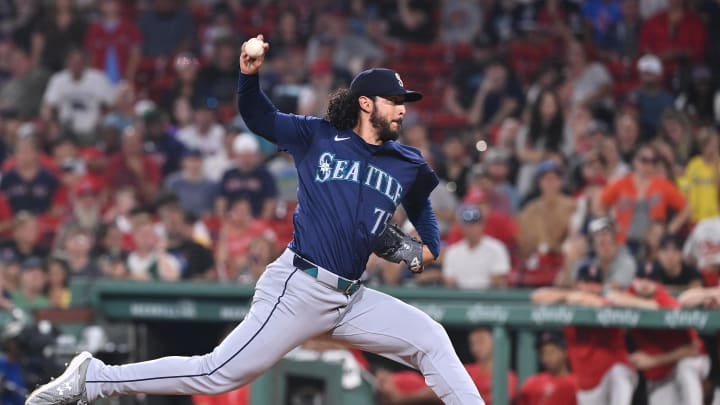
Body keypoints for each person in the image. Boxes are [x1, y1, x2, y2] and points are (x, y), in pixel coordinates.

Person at [26, 35, 485, 405]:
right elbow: (259, 116)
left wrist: (427, 247)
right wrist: (249, 74)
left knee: (430, 337)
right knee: (216, 372)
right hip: (299, 286)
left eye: (404, 100)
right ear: (367, 104)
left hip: (351, 298)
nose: (403, 108)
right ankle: (93, 379)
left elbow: (422, 200)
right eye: (393, 100)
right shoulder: (317, 136)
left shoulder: (406, 161)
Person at [605, 264, 709, 405]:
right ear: (634, 280)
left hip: (690, 359)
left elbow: (694, 348)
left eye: (650, 279)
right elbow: (611, 297)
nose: (645, 284)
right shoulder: (631, 294)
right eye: (641, 278)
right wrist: (645, 304)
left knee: (686, 369)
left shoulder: (667, 302)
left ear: (658, 284)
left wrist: (654, 360)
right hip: (660, 373)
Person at [442, 204, 511, 289]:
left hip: (490, 300)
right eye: (468, 225)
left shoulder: (497, 248)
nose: (471, 229)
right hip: (461, 300)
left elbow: (498, 279)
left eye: (475, 224)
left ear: (482, 225)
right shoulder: (452, 251)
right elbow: (449, 281)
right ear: (461, 227)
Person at [517, 332, 577, 405]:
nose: (547, 358)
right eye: (543, 353)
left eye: (551, 352)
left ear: (565, 352)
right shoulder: (532, 383)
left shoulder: (576, 384)